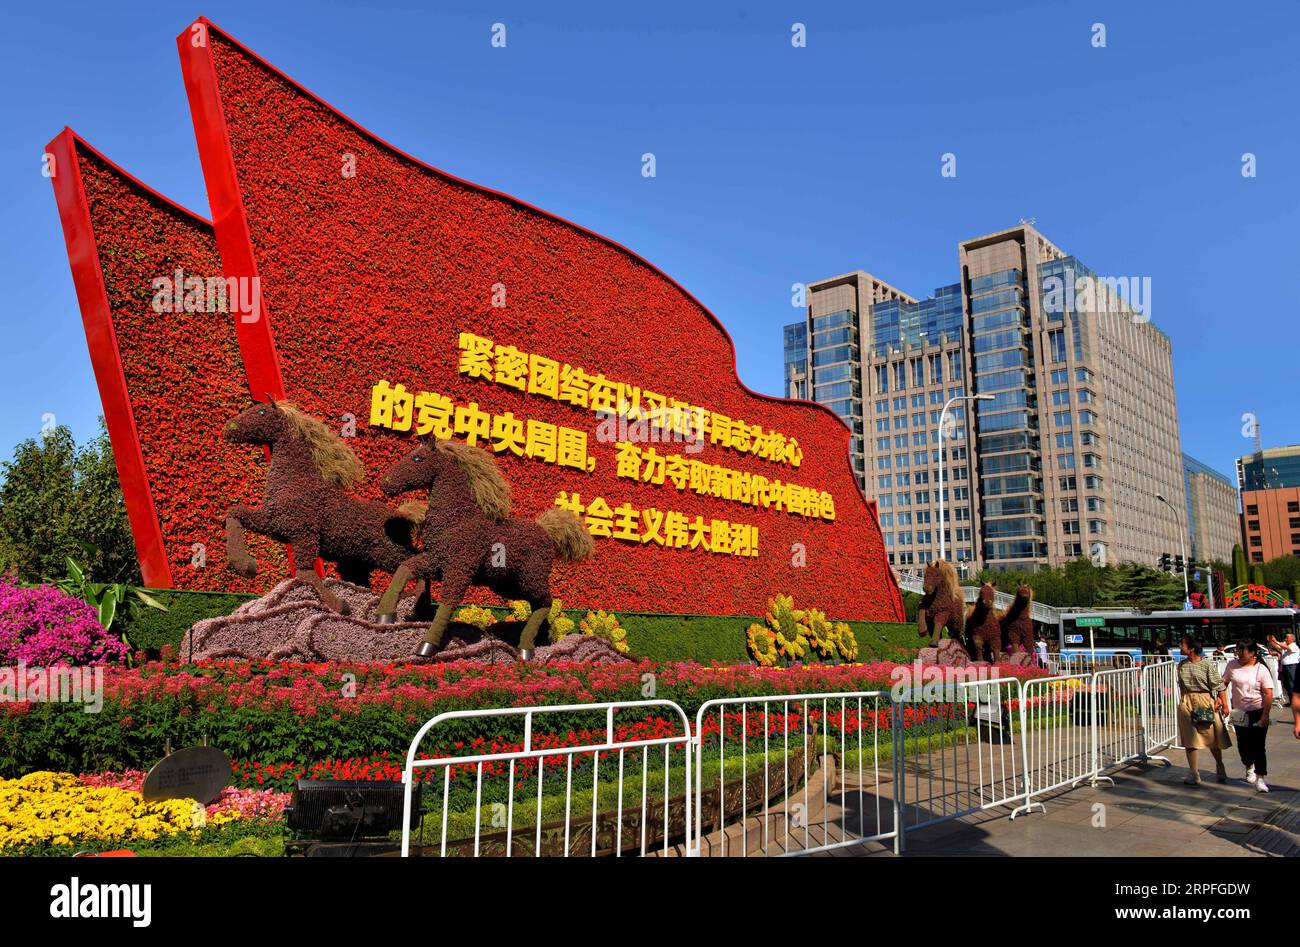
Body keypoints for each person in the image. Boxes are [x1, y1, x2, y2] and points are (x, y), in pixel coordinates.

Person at [1175, 634, 1228, 785]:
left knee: (1211, 737)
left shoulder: (1206, 665)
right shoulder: (1182, 665)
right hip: (1187, 702)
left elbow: (1219, 686)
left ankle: (1220, 765)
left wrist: (1224, 704)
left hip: (1205, 700)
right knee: (1189, 738)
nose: (1180, 647)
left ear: (1191, 648)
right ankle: (1194, 772)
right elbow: (1182, 686)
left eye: (1183, 644)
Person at [1222, 640, 1273, 793]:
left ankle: (1261, 777)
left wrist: (1265, 715)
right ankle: (1248, 765)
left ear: (1252, 653)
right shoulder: (1232, 665)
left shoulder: (1261, 669)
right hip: (1239, 712)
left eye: (1242, 651)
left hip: (1257, 710)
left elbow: (1269, 693)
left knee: (1258, 746)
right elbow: (1223, 684)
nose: (1239, 654)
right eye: (1238, 650)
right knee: (1243, 745)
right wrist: (1222, 701)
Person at [1277, 632, 1298, 704]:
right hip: (1285, 667)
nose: (1285, 639)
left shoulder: (1294, 646)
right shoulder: (1285, 647)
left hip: (1292, 667)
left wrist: (1276, 641)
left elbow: (1286, 647)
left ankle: (1296, 701)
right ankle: (1292, 701)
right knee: (1287, 685)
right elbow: (1277, 647)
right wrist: (1272, 641)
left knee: (1293, 685)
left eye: (1287, 638)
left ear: (1292, 639)